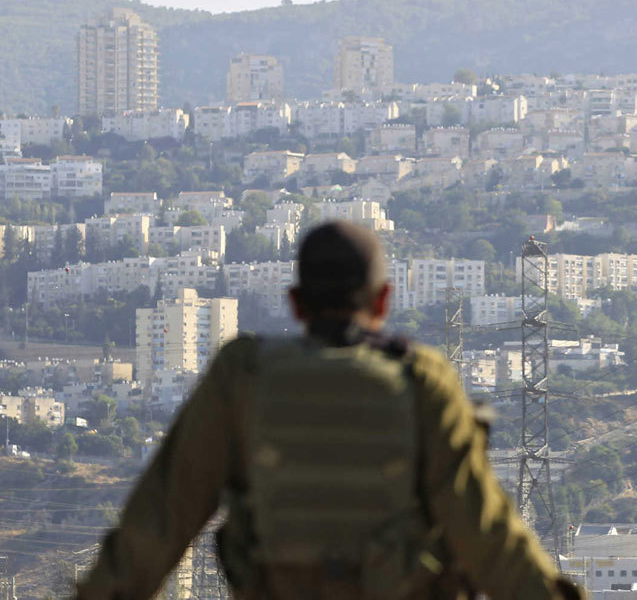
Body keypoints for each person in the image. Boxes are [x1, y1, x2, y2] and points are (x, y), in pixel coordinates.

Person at [77, 220, 582, 600]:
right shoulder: (423, 381)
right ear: (383, 301)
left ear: (296, 303)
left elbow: (159, 523)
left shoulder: (243, 375)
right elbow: (486, 535)